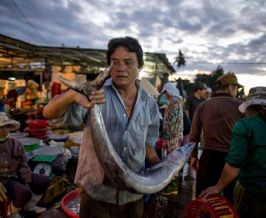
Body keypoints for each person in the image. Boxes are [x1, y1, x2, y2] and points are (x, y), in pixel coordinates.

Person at [43, 36, 161, 218]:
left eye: (128, 62)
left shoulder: (149, 104)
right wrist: (72, 96)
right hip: (96, 194)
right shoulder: (94, 94)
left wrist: (161, 172)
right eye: (115, 63)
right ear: (109, 67)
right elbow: (48, 114)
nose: (121, 68)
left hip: (133, 195)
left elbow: (147, 145)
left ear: (140, 67)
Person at [200, 86, 266, 218]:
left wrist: (218, 187)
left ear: (248, 107)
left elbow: (235, 163)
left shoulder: (245, 125)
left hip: (254, 193)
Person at [189, 72, 242, 203]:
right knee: (229, 201)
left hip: (208, 158)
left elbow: (193, 136)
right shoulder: (240, 107)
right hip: (231, 162)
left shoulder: (203, 106)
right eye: (236, 88)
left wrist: (194, 156)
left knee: (203, 200)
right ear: (230, 87)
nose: (236, 91)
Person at [0, 112, 49, 217]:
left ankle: (30, 206)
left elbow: (23, 163)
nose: (3, 130)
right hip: (3, 180)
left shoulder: (15, 144)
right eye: (0, 127)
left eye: (5, 127)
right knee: (23, 192)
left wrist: (27, 179)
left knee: (42, 181)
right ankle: (11, 213)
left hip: (16, 174)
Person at [158, 82, 183, 196]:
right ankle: (172, 186)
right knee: (173, 160)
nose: (165, 96)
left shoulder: (173, 103)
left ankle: (171, 188)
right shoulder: (177, 101)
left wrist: (164, 137)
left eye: (166, 93)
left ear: (169, 92)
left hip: (172, 138)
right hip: (176, 136)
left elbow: (171, 123)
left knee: (171, 161)